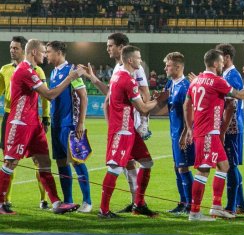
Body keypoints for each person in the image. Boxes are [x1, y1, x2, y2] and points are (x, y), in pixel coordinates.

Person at [0, 39, 87, 215]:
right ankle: (1, 203)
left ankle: (56, 203)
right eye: (42, 52)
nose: (44, 56)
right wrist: (70, 78)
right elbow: (49, 95)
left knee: (44, 162)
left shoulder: (33, 70)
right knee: (11, 162)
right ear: (33, 52)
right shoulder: (25, 70)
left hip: (34, 124)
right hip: (20, 123)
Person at [181, 50, 244, 221]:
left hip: (207, 131)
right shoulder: (217, 81)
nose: (222, 65)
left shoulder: (196, 80)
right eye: (220, 62)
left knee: (224, 166)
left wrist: (189, 127)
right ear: (214, 64)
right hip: (207, 132)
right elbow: (240, 95)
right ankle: (195, 212)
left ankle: (216, 207)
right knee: (203, 170)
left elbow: (186, 104)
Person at [84, 32, 151, 214]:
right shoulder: (119, 70)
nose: (108, 49)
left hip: (131, 122)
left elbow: (144, 94)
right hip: (122, 124)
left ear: (122, 48)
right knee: (124, 164)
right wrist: (94, 79)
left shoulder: (136, 69)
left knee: (135, 162)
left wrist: (144, 121)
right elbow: (110, 94)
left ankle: (137, 203)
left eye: (110, 45)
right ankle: (133, 203)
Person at [97, 45, 164, 219]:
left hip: (129, 130)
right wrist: (159, 101)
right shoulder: (127, 80)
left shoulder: (117, 76)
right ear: (129, 60)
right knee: (115, 167)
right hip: (122, 130)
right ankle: (103, 210)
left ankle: (138, 203)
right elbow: (142, 108)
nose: (140, 60)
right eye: (138, 57)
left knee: (147, 162)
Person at [0, 35, 51, 209]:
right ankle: (6, 199)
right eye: (11, 48)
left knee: (38, 160)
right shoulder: (5, 70)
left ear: (25, 50)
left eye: (16, 48)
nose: (12, 51)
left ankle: (44, 199)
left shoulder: (37, 70)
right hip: (10, 116)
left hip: (30, 119)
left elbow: (45, 97)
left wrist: (45, 117)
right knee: (9, 160)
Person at [46, 40, 92, 213]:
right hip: (56, 124)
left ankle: (87, 201)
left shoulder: (72, 71)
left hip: (70, 124)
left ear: (58, 52)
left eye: (48, 51)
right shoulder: (53, 73)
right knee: (60, 163)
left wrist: (80, 122)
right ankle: (68, 200)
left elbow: (83, 96)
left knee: (77, 161)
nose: (46, 55)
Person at [154, 52, 194, 215]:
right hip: (174, 132)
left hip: (182, 133)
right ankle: (183, 202)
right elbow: (166, 107)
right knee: (177, 167)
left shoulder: (185, 87)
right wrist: (157, 100)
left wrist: (185, 133)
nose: (165, 68)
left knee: (183, 167)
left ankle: (190, 205)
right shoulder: (171, 84)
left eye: (168, 65)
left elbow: (189, 112)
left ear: (178, 67)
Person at [216, 43, 244, 215]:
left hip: (231, 126)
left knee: (229, 165)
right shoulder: (226, 74)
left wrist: (223, 130)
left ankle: (231, 207)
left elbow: (233, 103)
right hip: (228, 125)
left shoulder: (232, 75)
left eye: (219, 57)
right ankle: (240, 205)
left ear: (227, 57)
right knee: (231, 166)